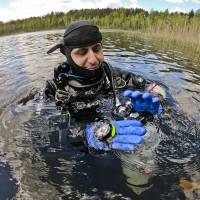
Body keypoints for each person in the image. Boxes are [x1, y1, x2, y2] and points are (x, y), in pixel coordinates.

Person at [45, 20, 165, 152]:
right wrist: (84, 136)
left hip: (122, 141)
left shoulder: (116, 77)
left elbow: (155, 85)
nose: (93, 59)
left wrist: (157, 100)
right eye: (81, 52)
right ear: (67, 55)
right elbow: (45, 133)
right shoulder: (54, 89)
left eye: (96, 49)